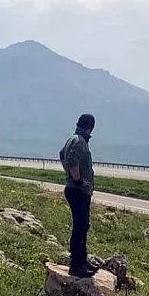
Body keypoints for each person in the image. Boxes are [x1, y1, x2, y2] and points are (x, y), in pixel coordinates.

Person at [60, 114, 99, 278]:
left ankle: (82, 259)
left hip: (76, 190)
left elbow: (62, 155)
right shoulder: (80, 142)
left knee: (83, 226)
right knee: (79, 227)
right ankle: (76, 264)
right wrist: (77, 180)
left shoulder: (72, 139)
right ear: (90, 127)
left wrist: (69, 175)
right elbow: (72, 162)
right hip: (78, 191)